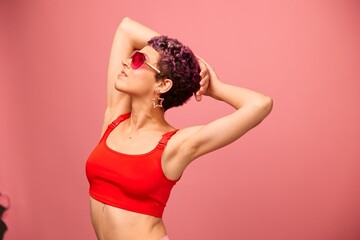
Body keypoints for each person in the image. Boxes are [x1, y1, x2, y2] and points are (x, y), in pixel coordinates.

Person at [86, 17, 273, 240]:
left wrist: (217, 88)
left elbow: (260, 104)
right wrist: (193, 62)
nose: (126, 62)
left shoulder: (175, 145)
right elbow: (126, 29)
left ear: (163, 84)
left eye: (138, 60)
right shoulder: (114, 118)